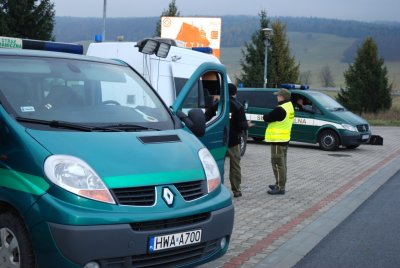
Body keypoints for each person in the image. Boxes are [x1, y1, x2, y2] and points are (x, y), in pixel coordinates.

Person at [263, 88, 295, 195]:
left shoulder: (280, 109)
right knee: (283, 164)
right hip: (285, 139)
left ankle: (280, 187)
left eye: (278, 95)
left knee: (277, 164)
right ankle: (279, 183)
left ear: (282, 97)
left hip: (278, 140)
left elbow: (266, 117)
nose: (277, 97)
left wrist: (265, 116)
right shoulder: (290, 106)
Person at [226, 83, 253, 198]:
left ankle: (216, 189)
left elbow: (207, 116)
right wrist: (248, 125)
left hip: (219, 140)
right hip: (233, 141)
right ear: (235, 92)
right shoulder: (238, 106)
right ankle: (236, 190)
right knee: (235, 166)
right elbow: (241, 125)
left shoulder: (219, 104)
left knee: (216, 165)